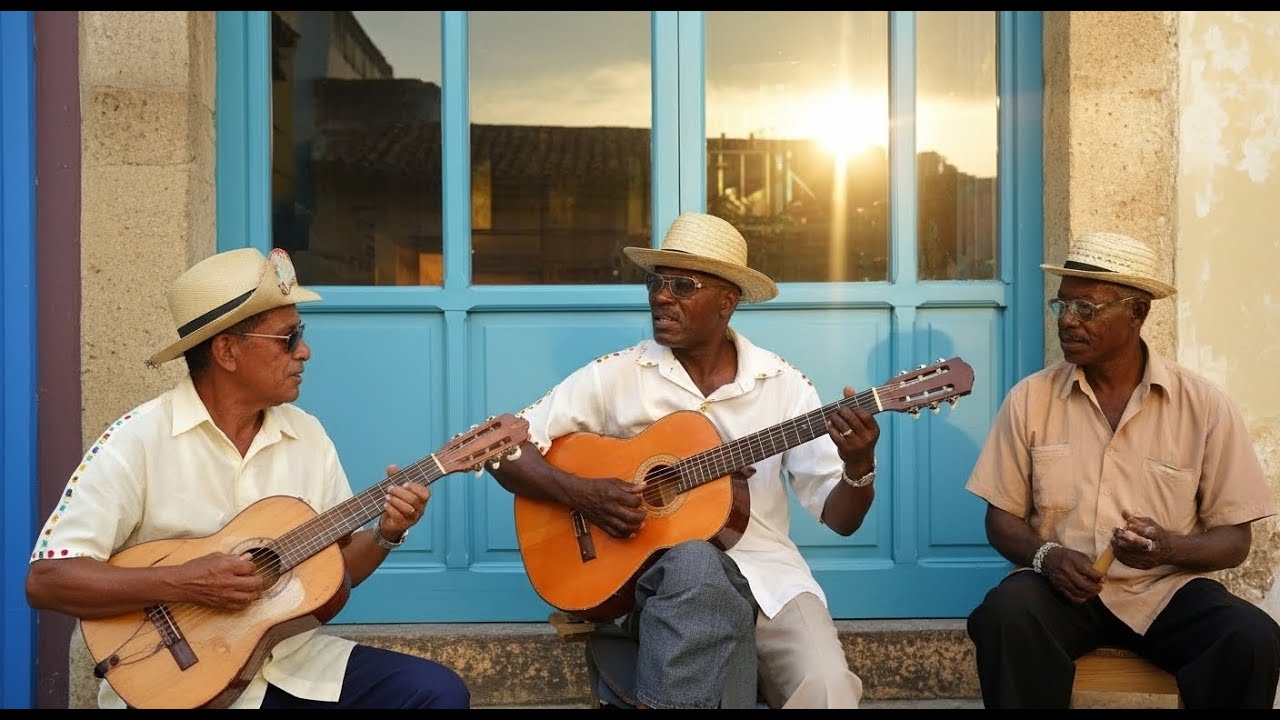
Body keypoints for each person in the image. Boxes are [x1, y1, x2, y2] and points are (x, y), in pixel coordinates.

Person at [25, 247, 471, 710]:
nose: (305, 350)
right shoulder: (134, 441)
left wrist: (386, 533)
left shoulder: (307, 434)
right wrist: (182, 582)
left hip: (294, 664)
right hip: (176, 683)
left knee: (437, 694)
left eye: (302, 333)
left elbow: (335, 573)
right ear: (226, 351)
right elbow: (48, 579)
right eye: (288, 337)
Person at [489, 212, 880, 709]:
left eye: (682, 285)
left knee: (829, 690)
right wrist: (584, 493)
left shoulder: (784, 386)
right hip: (652, 578)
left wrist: (858, 465)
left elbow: (841, 518)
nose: (660, 296)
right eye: (656, 281)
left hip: (768, 576)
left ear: (727, 301)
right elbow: (503, 448)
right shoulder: (618, 374)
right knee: (695, 564)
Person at [964, 231, 1280, 709]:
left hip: (1164, 592)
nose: (1068, 321)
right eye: (1062, 306)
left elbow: (1235, 541)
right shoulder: (1030, 399)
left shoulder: (1204, 406)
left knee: (1252, 638)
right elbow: (1001, 520)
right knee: (1005, 614)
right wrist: (1047, 555)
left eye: (1086, 309)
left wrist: (1169, 547)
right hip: (1061, 592)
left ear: (1137, 313)